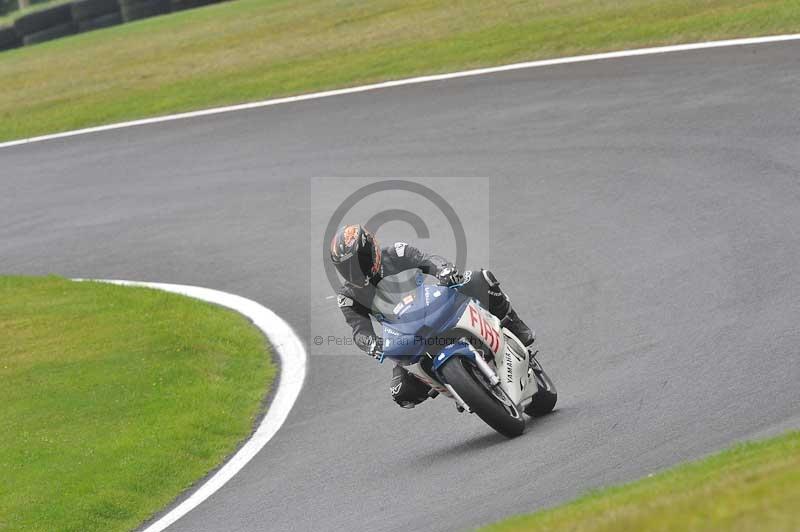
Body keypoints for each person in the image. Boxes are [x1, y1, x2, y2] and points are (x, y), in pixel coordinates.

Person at [330, 224, 536, 409]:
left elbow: (427, 260)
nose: (354, 270)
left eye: (360, 261)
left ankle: (516, 327)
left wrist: (444, 271)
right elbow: (359, 331)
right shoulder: (348, 297)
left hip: (433, 303)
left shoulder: (396, 253)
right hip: (404, 334)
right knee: (402, 393)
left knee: (480, 279)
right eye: (346, 267)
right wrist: (372, 344)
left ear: (372, 249)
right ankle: (457, 385)